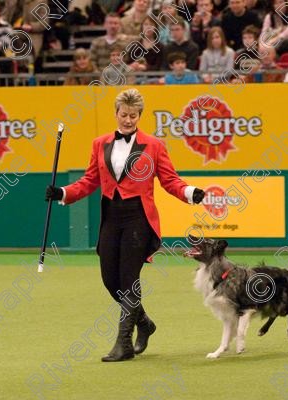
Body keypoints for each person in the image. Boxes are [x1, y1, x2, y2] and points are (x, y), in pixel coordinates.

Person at [44, 88, 207, 362]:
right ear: (116, 114)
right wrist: (63, 193)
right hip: (111, 216)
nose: (128, 120)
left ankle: (124, 343)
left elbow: (170, 180)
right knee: (111, 279)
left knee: (129, 279)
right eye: (124, 114)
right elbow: (89, 180)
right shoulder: (100, 143)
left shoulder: (154, 145)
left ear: (139, 116)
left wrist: (190, 192)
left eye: (133, 116)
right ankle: (144, 323)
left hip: (139, 218)